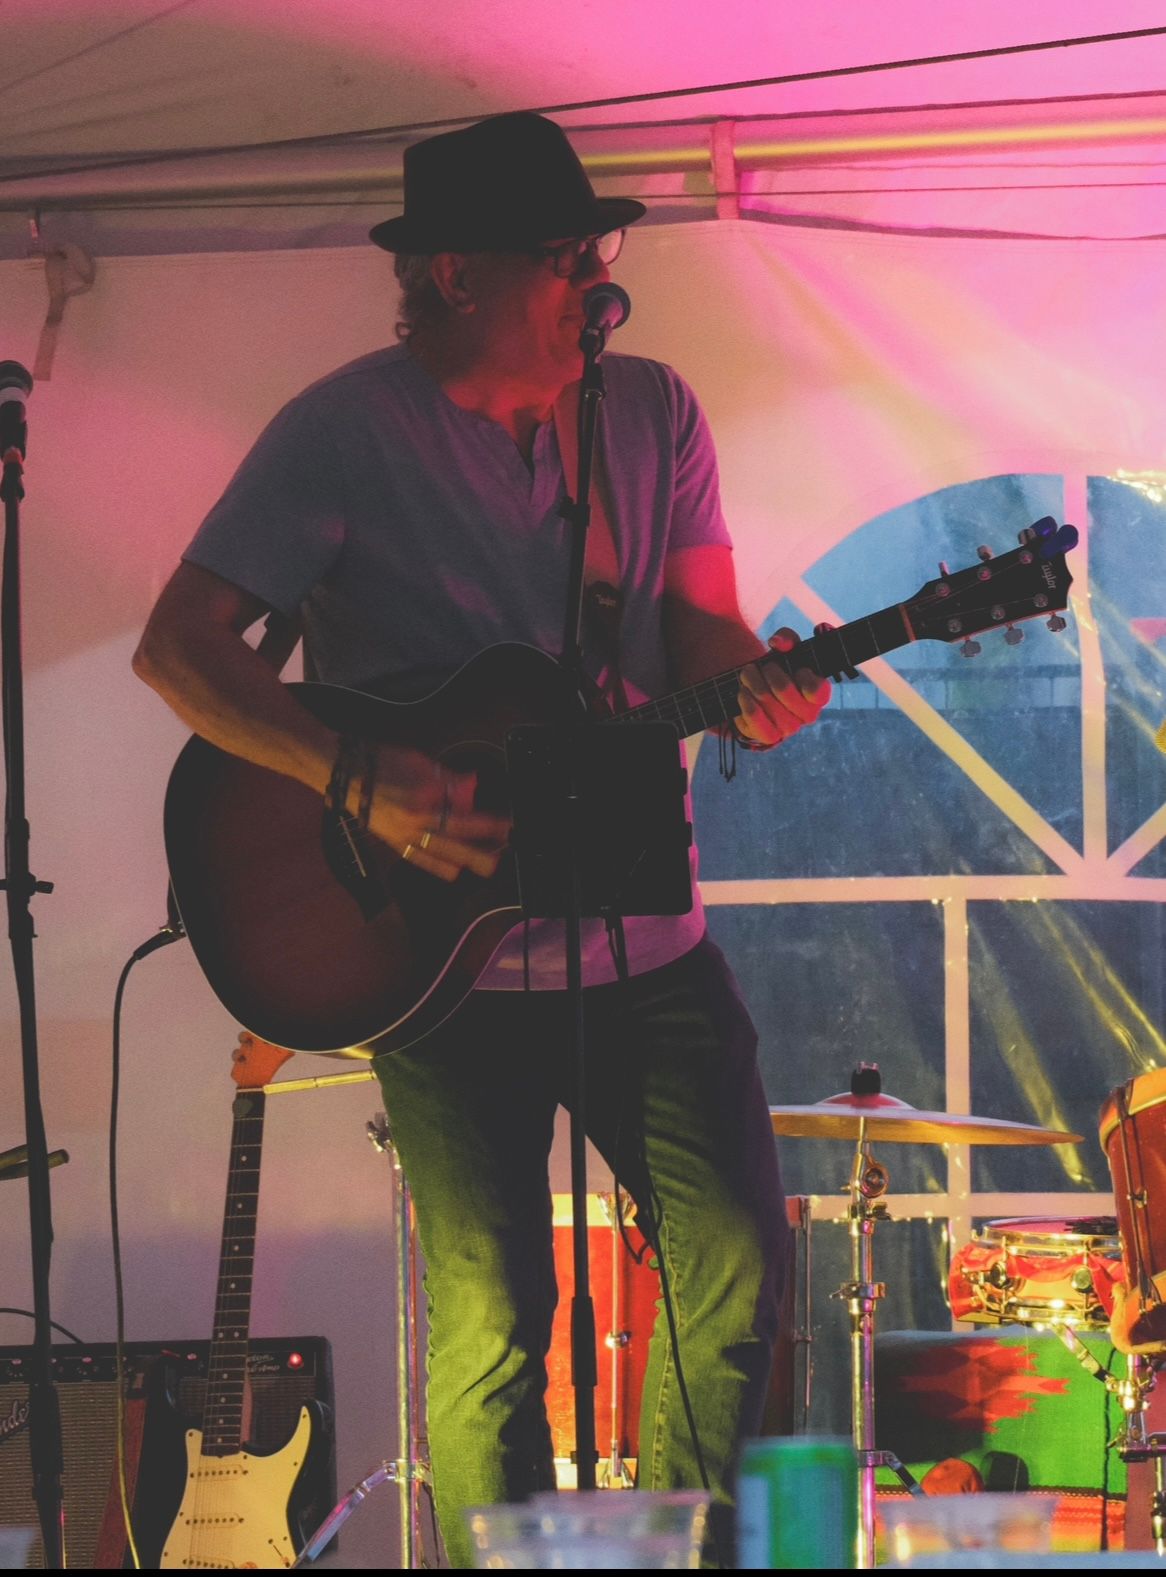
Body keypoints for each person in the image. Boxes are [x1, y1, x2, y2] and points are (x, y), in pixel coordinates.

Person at [133, 111, 830, 1567]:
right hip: (436, 969)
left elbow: (703, 628)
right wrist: (352, 777)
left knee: (737, 1263)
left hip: (646, 936)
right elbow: (180, 649)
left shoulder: (654, 414)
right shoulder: (341, 433)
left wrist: (760, 686)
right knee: (498, 1318)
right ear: (455, 273)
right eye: (563, 255)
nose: (598, 278)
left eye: (598, 249)